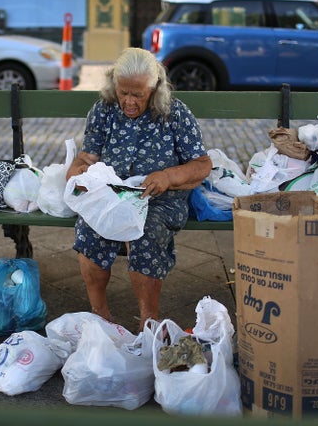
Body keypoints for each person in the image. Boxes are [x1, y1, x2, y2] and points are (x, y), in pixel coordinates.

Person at [65, 47, 212, 332]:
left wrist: (169, 176)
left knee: (145, 235)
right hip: (112, 196)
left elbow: (202, 164)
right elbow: (87, 157)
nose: (129, 102)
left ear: (154, 89)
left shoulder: (174, 113)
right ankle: (101, 316)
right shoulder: (103, 110)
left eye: (138, 95)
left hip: (159, 199)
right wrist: (77, 172)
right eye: (123, 93)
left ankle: (148, 322)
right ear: (114, 86)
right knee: (89, 229)